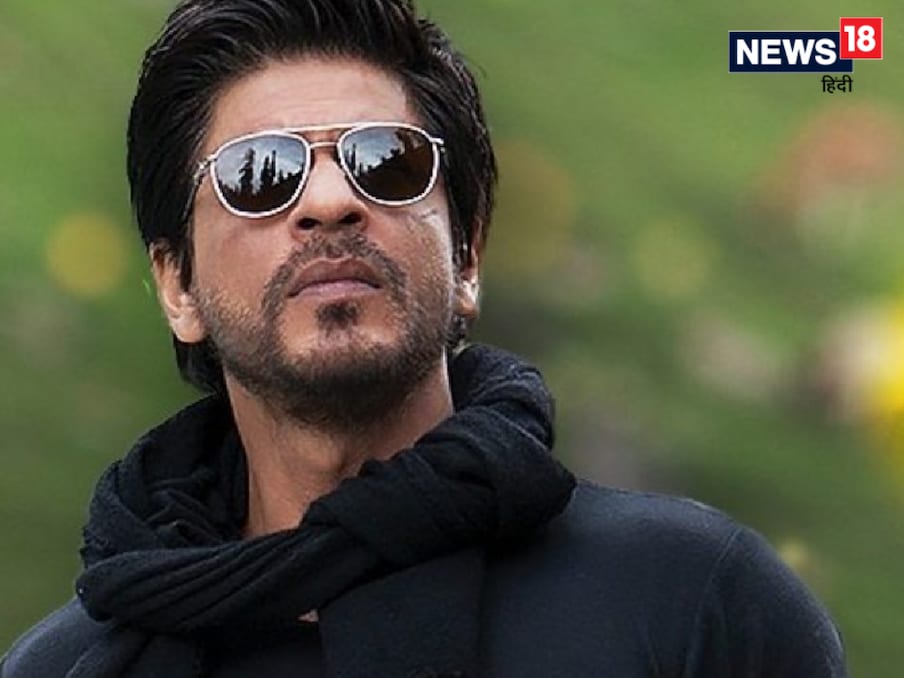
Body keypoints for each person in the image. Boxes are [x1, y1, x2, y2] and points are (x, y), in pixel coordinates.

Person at [2, 1, 847, 676]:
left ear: (467, 255)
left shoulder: (694, 601)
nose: (330, 201)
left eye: (387, 161)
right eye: (260, 175)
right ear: (177, 286)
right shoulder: (69, 665)